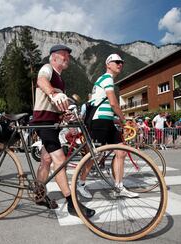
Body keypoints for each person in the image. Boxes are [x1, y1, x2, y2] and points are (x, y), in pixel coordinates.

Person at [31, 44, 95, 217]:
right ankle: (71, 202)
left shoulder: (61, 79)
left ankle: (38, 194)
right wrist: (53, 93)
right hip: (43, 121)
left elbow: (57, 105)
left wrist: (64, 115)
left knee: (45, 160)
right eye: (63, 54)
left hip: (52, 121)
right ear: (53, 57)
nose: (67, 57)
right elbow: (41, 81)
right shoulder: (47, 68)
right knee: (60, 160)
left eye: (68, 55)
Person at [81, 53, 138, 199]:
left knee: (121, 152)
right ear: (108, 64)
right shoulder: (106, 79)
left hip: (106, 120)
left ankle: (119, 187)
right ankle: (80, 184)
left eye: (122, 62)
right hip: (99, 121)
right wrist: (123, 119)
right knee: (95, 155)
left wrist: (115, 119)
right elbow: (113, 103)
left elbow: (103, 103)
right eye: (117, 62)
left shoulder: (105, 80)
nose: (120, 64)